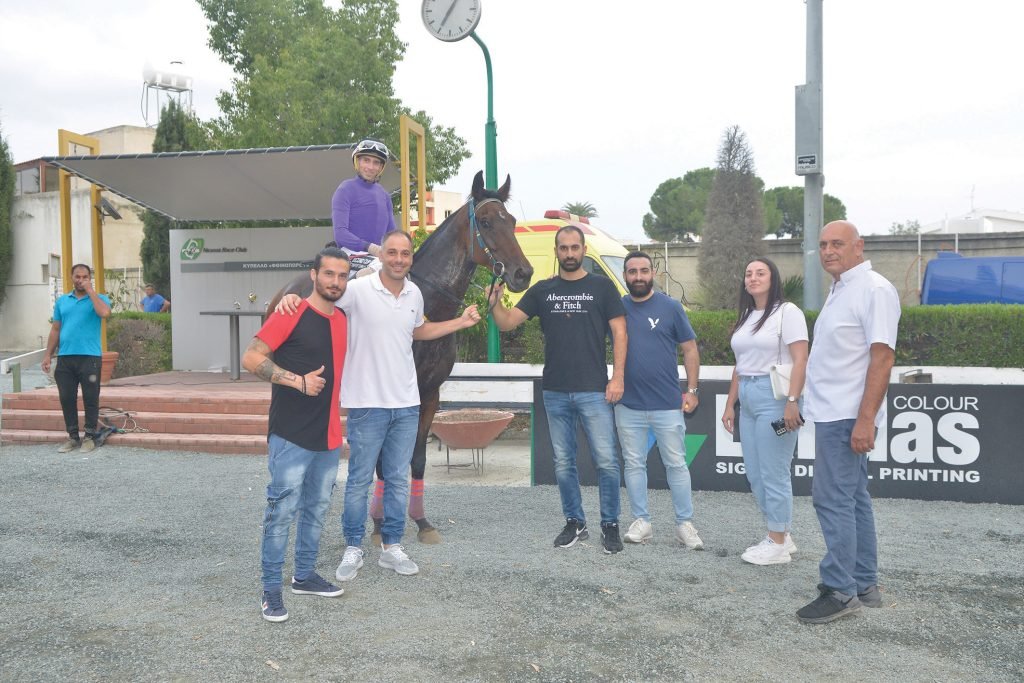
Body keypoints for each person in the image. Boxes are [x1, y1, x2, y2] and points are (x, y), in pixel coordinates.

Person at [277, 230, 482, 581]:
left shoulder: (414, 293)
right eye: (392, 252)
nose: (399, 259)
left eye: (405, 253)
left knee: (398, 480)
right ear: (382, 256)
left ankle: (392, 546)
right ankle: (353, 547)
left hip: (406, 404)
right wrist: (293, 299)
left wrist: (460, 322)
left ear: (411, 258)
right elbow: (323, 300)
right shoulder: (358, 289)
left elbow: (418, 330)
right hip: (367, 403)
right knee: (359, 480)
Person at [487, 225, 628, 554]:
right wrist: (494, 303)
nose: (569, 253)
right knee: (564, 463)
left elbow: (620, 332)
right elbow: (507, 322)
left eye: (574, 247)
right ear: (556, 252)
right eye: (563, 248)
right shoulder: (543, 290)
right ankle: (575, 522)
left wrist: (618, 377)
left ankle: (610, 524)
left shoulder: (602, 287)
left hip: (594, 389)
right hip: (555, 391)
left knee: (607, 461)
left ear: (583, 250)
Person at [796, 220, 900, 624]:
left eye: (837, 243)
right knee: (854, 498)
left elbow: (883, 357)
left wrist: (865, 420)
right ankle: (863, 584)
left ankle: (840, 591)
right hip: (834, 412)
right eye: (823, 244)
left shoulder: (874, 289)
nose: (828, 251)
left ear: (859, 246)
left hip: (847, 416)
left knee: (832, 499)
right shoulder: (841, 289)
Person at [242, 247, 351, 623]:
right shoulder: (291, 312)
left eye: (342, 275)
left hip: (328, 435)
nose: (335, 282)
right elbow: (251, 357)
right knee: (281, 513)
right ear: (314, 275)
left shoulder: (342, 319)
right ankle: (271, 590)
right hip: (290, 434)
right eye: (329, 274)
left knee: (317, 510)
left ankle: (304, 576)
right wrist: (297, 381)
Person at [721, 258, 809, 566]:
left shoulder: (788, 312)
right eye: (748, 274)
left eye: (761, 273)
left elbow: (801, 359)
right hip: (748, 399)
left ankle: (777, 542)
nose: (753, 278)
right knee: (755, 474)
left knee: (774, 472)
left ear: (773, 279)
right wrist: (731, 403)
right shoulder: (747, 316)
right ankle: (782, 533)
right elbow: (740, 364)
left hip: (777, 400)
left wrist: (793, 401)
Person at [615, 251, 704, 549]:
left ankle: (684, 524)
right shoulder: (616, 308)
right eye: (632, 272)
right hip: (628, 404)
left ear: (653, 273)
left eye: (643, 270)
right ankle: (641, 522)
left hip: (667, 403)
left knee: (676, 464)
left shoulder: (671, 307)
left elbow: (690, 349)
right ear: (625, 276)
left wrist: (692, 391)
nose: (638, 276)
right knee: (633, 464)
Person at [41, 264, 111, 454]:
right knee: (66, 398)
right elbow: (56, 329)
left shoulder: (100, 299)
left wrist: (91, 292)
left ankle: (89, 437)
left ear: (90, 278)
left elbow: (104, 313)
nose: (81, 280)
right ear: (72, 277)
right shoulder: (63, 301)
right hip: (65, 358)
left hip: (90, 357)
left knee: (90, 397)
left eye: (85, 277)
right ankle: (73, 437)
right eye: (77, 277)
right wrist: (48, 355)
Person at [331, 139, 395, 276]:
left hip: (378, 256)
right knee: (383, 268)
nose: (371, 167)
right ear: (358, 162)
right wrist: (371, 248)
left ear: (381, 167)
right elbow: (340, 234)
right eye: (366, 160)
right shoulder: (345, 189)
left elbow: (392, 234)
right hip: (349, 254)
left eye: (376, 162)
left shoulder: (385, 196)